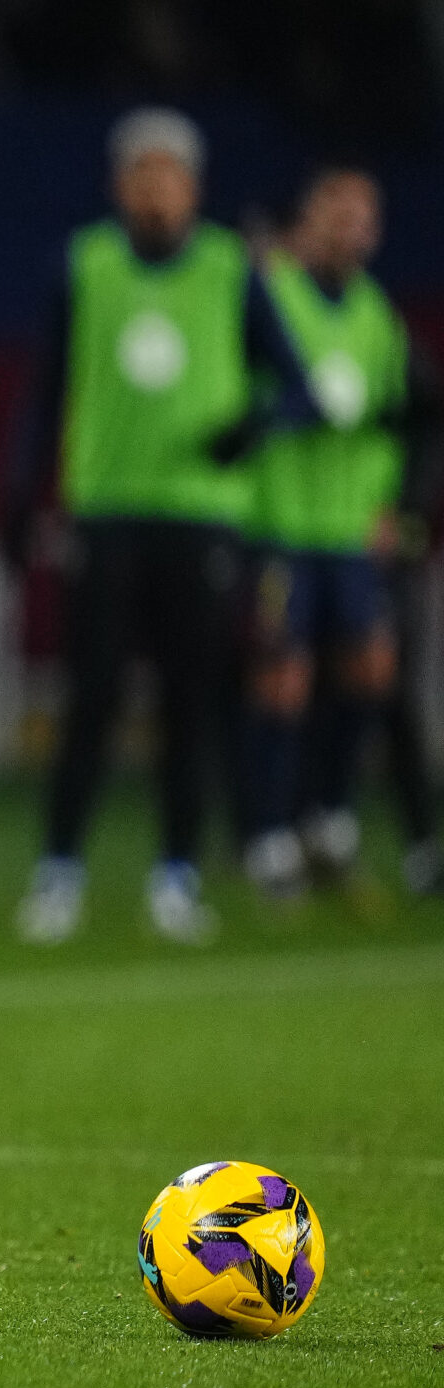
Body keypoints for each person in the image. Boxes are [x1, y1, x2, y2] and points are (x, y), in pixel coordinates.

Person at [1, 106, 317, 945]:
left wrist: (251, 423)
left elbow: (299, 384)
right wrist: (18, 488)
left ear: (193, 187)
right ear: (117, 184)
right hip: (105, 510)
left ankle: (177, 874)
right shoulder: (86, 263)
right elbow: (45, 386)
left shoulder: (230, 269)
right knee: (92, 699)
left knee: (191, 705)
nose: (153, 187)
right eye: (140, 172)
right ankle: (58, 872)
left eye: (168, 174)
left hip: (202, 519)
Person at [237, 166, 438, 898]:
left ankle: (329, 817)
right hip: (281, 521)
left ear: (376, 233)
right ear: (307, 222)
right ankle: (266, 839)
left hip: (353, 531)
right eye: (334, 214)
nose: (348, 230)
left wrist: (396, 509)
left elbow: (397, 420)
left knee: (371, 672)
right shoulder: (271, 299)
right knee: (281, 680)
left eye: (361, 218)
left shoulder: (378, 318)